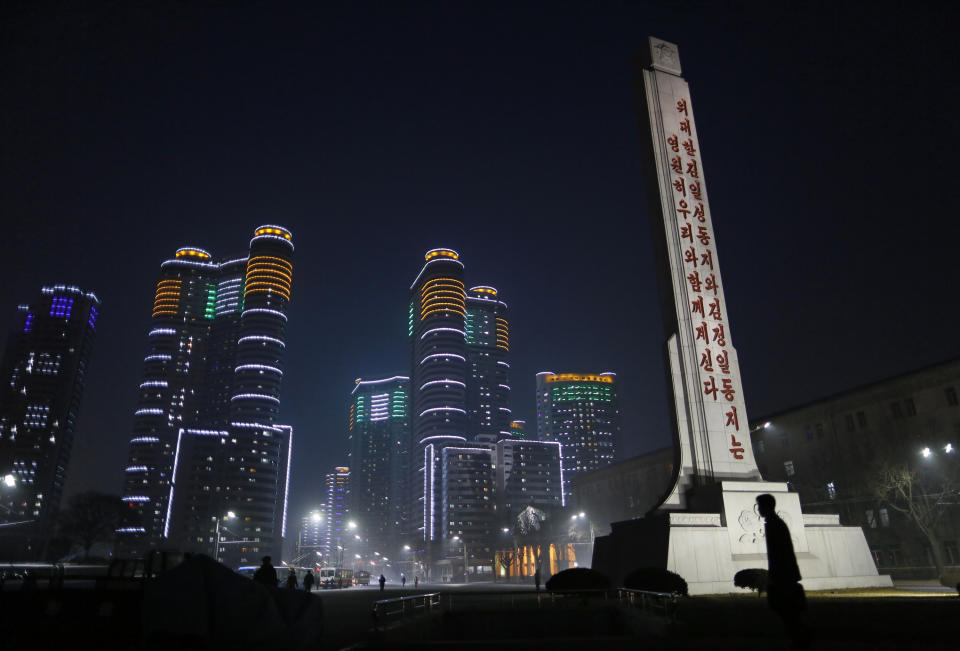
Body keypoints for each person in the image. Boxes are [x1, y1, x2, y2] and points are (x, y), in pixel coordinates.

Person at [757, 493, 809, 649]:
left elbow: (780, 554)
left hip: (783, 576)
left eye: (760, 506)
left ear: (766, 507)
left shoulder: (775, 525)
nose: (758, 509)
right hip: (784, 575)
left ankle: (802, 639)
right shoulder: (774, 523)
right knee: (788, 613)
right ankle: (801, 638)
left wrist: (775, 577)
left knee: (788, 612)